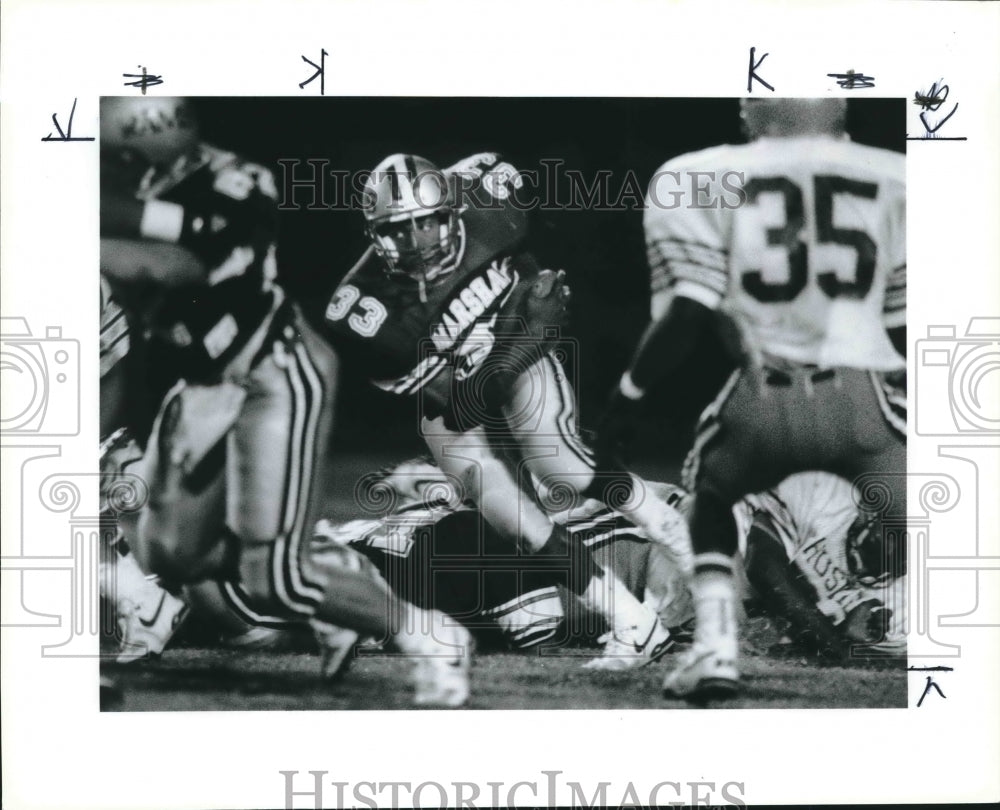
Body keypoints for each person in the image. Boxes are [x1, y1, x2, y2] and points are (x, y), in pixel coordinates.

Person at [100, 97, 470, 706]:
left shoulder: (233, 185)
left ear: (149, 142)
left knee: (275, 579)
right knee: (172, 552)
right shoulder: (133, 200)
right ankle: (321, 565)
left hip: (273, 371)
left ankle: (432, 637)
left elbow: (176, 266)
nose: (107, 168)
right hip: (206, 385)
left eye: (118, 156)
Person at [325, 152, 691, 668]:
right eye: (401, 230)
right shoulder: (367, 316)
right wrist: (530, 334)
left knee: (563, 465)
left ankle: (676, 535)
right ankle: (635, 624)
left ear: (451, 210)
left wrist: (532, 297)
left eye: (428, 222)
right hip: (460, 389)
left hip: (516, 345)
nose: (419, 241)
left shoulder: (489, 199)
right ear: (376, 236)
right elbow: (462, 406)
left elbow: (522, 259)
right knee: (517, 522)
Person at [598, 98, 906, 699]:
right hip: (864, 393)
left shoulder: (697, 175)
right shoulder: (897, 175)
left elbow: (689, 309)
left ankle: (715, 650)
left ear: (752, 113)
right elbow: (906, 319)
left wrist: (628, 395)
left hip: (763, 388)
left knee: (710, 497)